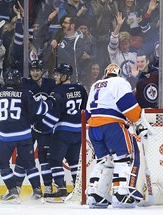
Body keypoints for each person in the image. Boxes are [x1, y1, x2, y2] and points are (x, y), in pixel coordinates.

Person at [0, 67, 56, 203]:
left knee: (1, 162)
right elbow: (41, 109)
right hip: (23, 134)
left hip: (5, 136)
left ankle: (13, 190)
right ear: (18, 80)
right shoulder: (25, 93)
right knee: (29, 164)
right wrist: (51, 102)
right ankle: (37, 191)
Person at [85, 63, 150, 209]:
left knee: (103, 160)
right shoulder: (119, 82)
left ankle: (96, 195)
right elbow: (127, 104)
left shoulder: (96, 85)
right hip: (112, 126)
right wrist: (138, 121)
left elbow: (88, 112)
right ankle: (121, 193)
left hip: (94, 128)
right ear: (118, 73)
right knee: (124, 158)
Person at [13, 60, 57, 197]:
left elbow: (56, 102)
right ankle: (16, 188)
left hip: (46, 128)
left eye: (37, 70)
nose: (35, 73)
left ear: (42, 70)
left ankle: (48, 188)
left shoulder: (50, 83)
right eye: (32, 70)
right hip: (29, 128)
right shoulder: (25, 84)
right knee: (23, 157)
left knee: (45, 158)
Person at [44, 63, 88, 201]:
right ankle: (77, 188)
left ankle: (61, 188)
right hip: (78, 131)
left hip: (63, 131)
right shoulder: (81, 89)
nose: (55, 77)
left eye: (57, 74)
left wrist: (42, 127)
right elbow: (85, 110)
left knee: (53, 160)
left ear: (64, 76)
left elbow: (54, 114)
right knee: (74, 161)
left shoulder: (58, 92)